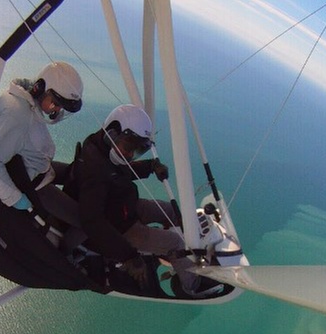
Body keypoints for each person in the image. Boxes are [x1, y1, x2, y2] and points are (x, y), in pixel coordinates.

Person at [64, 104, 222, 298]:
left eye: (136, 151)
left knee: (169, 210)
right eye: (128, 148)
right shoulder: (95, 169)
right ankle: (192, 286)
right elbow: (92, 221)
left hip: (122, 206)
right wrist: (129, 256)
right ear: (113, 133)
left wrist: (150, 166)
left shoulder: (104, 147)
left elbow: (120, 170)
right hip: (118, 227)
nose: (130, 155)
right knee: (175, 243)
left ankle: (175, 247)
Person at [0, 61, 84, 233]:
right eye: (54, 104)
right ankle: (68, 253)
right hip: (36, 186)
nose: (56, 111)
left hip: (40, 168)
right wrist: (15, 199)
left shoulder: (26, 102)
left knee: (81, 173)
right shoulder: (18, 115)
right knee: (82, 220)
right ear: (39, 88)